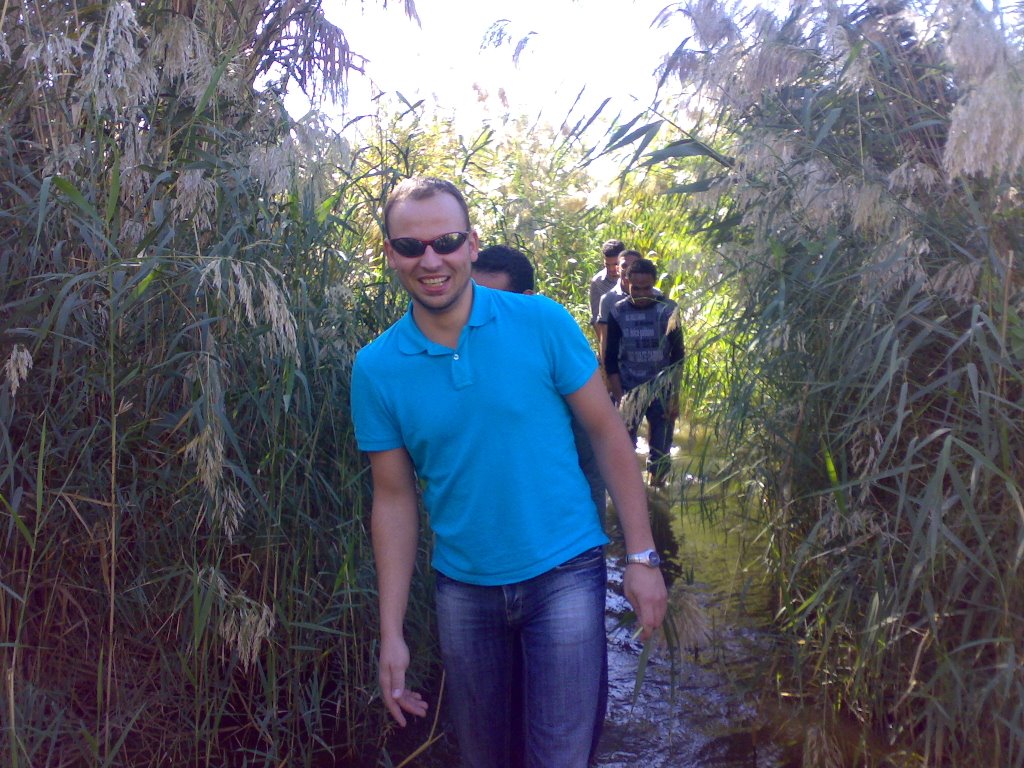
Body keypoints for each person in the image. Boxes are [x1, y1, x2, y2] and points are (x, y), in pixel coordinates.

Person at [350, 178, 667, 768]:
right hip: (464, 587)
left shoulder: (541, 321)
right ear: (390, 254)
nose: (431, 260)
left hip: (565, 573)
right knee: (483, 757)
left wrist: (643, 557)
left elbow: (607, 433)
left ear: (471, 244)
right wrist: (390, 632)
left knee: (560, 757)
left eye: (445, 241)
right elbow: (392, 500)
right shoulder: (376, 368)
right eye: (411, 247)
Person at [472, 243, 607, 767]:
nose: (476, 313)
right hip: (481, 570)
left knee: (572, 702)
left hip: (565, 555)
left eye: (492, 299)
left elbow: (596, 451)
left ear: (527, 300)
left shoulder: (550, 349)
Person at [604, 258, 684, 488]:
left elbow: (678, 357)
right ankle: (630, 495)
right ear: (627, 283)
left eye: (646, 288)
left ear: (654, 284)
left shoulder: (668, 310)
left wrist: (674, 396)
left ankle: (657, 494)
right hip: (629, 389)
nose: (640, 293)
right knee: (623, 450)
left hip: (661, 390)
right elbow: (610, 359)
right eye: (635, 288)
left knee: (661, 451)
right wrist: (620, 398)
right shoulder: (618, 311)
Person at [588, 238, 625, 332]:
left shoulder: (634, 278)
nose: (612, 269)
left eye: (615, 264)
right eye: (607, 265)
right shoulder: (597, 282)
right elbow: (596, 319)